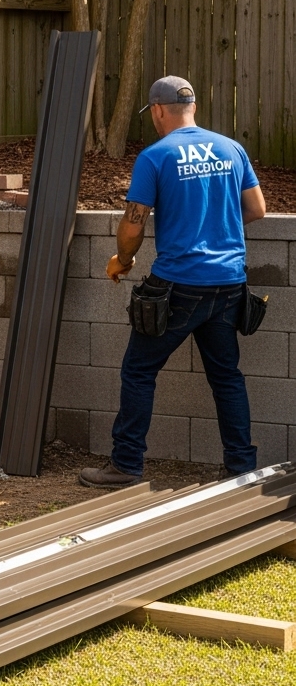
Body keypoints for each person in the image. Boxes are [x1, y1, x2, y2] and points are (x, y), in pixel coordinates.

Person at [79, 75, 267, 488]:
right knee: (227, 377)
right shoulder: (231, 149)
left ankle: (126, 465)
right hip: (229, 284)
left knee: (139, 371)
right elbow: (256, 208)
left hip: (179, 285)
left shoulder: (155, 156)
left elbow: (133, 226)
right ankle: (242, 467)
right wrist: (217, 230)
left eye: (154, 116)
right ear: (193, 107)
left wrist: (123, 260)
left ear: (159, 111)